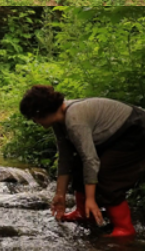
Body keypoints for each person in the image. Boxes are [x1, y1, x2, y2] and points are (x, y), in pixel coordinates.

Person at [19, 85, 145, 237]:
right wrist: (60, 194)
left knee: (106, 176)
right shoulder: (59, 121)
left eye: (33, 117)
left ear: (40, 113)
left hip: (134, 129)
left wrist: (91, 199)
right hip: (111, 136)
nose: (34, 121)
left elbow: (90, 159)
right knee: (77, 164)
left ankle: (124, 228)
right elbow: (65, 158)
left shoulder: (74, 120)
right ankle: (83, 212)